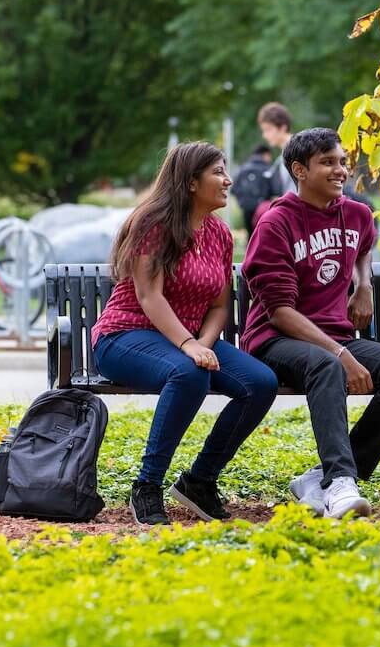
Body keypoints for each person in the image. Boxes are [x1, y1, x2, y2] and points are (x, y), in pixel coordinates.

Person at [240, 128, 380, 519]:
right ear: (300, 170)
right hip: (275, 339)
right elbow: (279, 312)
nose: (340, 170)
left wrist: (364, 285)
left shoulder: (356, 213)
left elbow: (364, 246)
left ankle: (323, 478)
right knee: (326, 364)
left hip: (333, 337)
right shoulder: (275, 224)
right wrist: (339, 352)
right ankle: (341, 481)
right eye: (328, 162)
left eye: (342, 161)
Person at [91, 142, 280, 526]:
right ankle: (147, 485)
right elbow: (148, 295)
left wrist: (203, 346)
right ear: (191, 182)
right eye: (218, 172)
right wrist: (189, 346)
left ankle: (199, 481)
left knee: (260, 382)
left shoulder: (221, 235)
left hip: (188, 340)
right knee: (188, 372)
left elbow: (219, 307)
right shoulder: (153, 224)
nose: (228, 180)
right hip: (126, 335)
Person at [231, 143, 277, 232]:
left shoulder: (243, 169)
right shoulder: (268, 169)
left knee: (250, 237)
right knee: (263, 235)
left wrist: (242, 202)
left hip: (246, 208)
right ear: (266, 154)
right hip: (263, 210)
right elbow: (276, 189)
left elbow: (233, 189)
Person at [257, 102, 295, 198]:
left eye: (268, 129)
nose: (264, 135)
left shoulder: (295, 151)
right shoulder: (285, 152)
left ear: (283, 127)